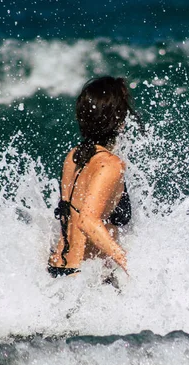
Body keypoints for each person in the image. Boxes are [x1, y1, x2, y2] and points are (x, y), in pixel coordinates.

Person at [47, 76, 136, 279]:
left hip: (57, 270)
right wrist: (128, 264)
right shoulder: (110, 164)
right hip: (85, 281)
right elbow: (87, 220)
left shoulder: (74, 156)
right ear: (119, 121)